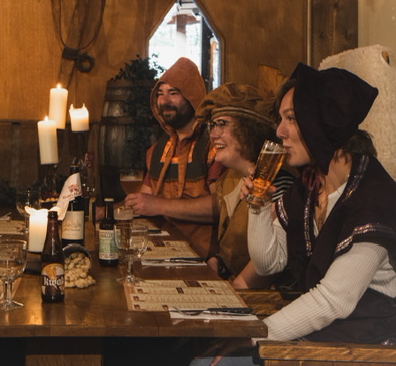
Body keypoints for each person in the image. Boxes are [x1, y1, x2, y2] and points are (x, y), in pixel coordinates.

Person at [194, 63, 396, 366]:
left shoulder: (373, 198)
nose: (279, 131)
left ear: (321, 123)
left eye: (291, 118)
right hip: (324, 334)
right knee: (200, 353)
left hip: (367, 346)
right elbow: (268, 262)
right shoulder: (310, 187)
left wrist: (255, 334)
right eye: (281, 118)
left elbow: (334, 300)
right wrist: (259, 206)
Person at [194, 83, 294, 289]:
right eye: (212, 125)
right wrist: (217, 264)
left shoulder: (279, 183)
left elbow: (270, 265)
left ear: (249, 129)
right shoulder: (230, 178)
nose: (213, 135)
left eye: (222, 124)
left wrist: (231, 293)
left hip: (263, 300)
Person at [123, 57, 224, 257]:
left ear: (193, 98)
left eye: (174, 93)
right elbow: (142, 200)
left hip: (204, 257)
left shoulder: (215, 146)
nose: (164, 101)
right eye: (160, 94)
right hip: (161, 251)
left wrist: (159, 205)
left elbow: (222, 207)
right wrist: (104, 211)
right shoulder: (159, 149)